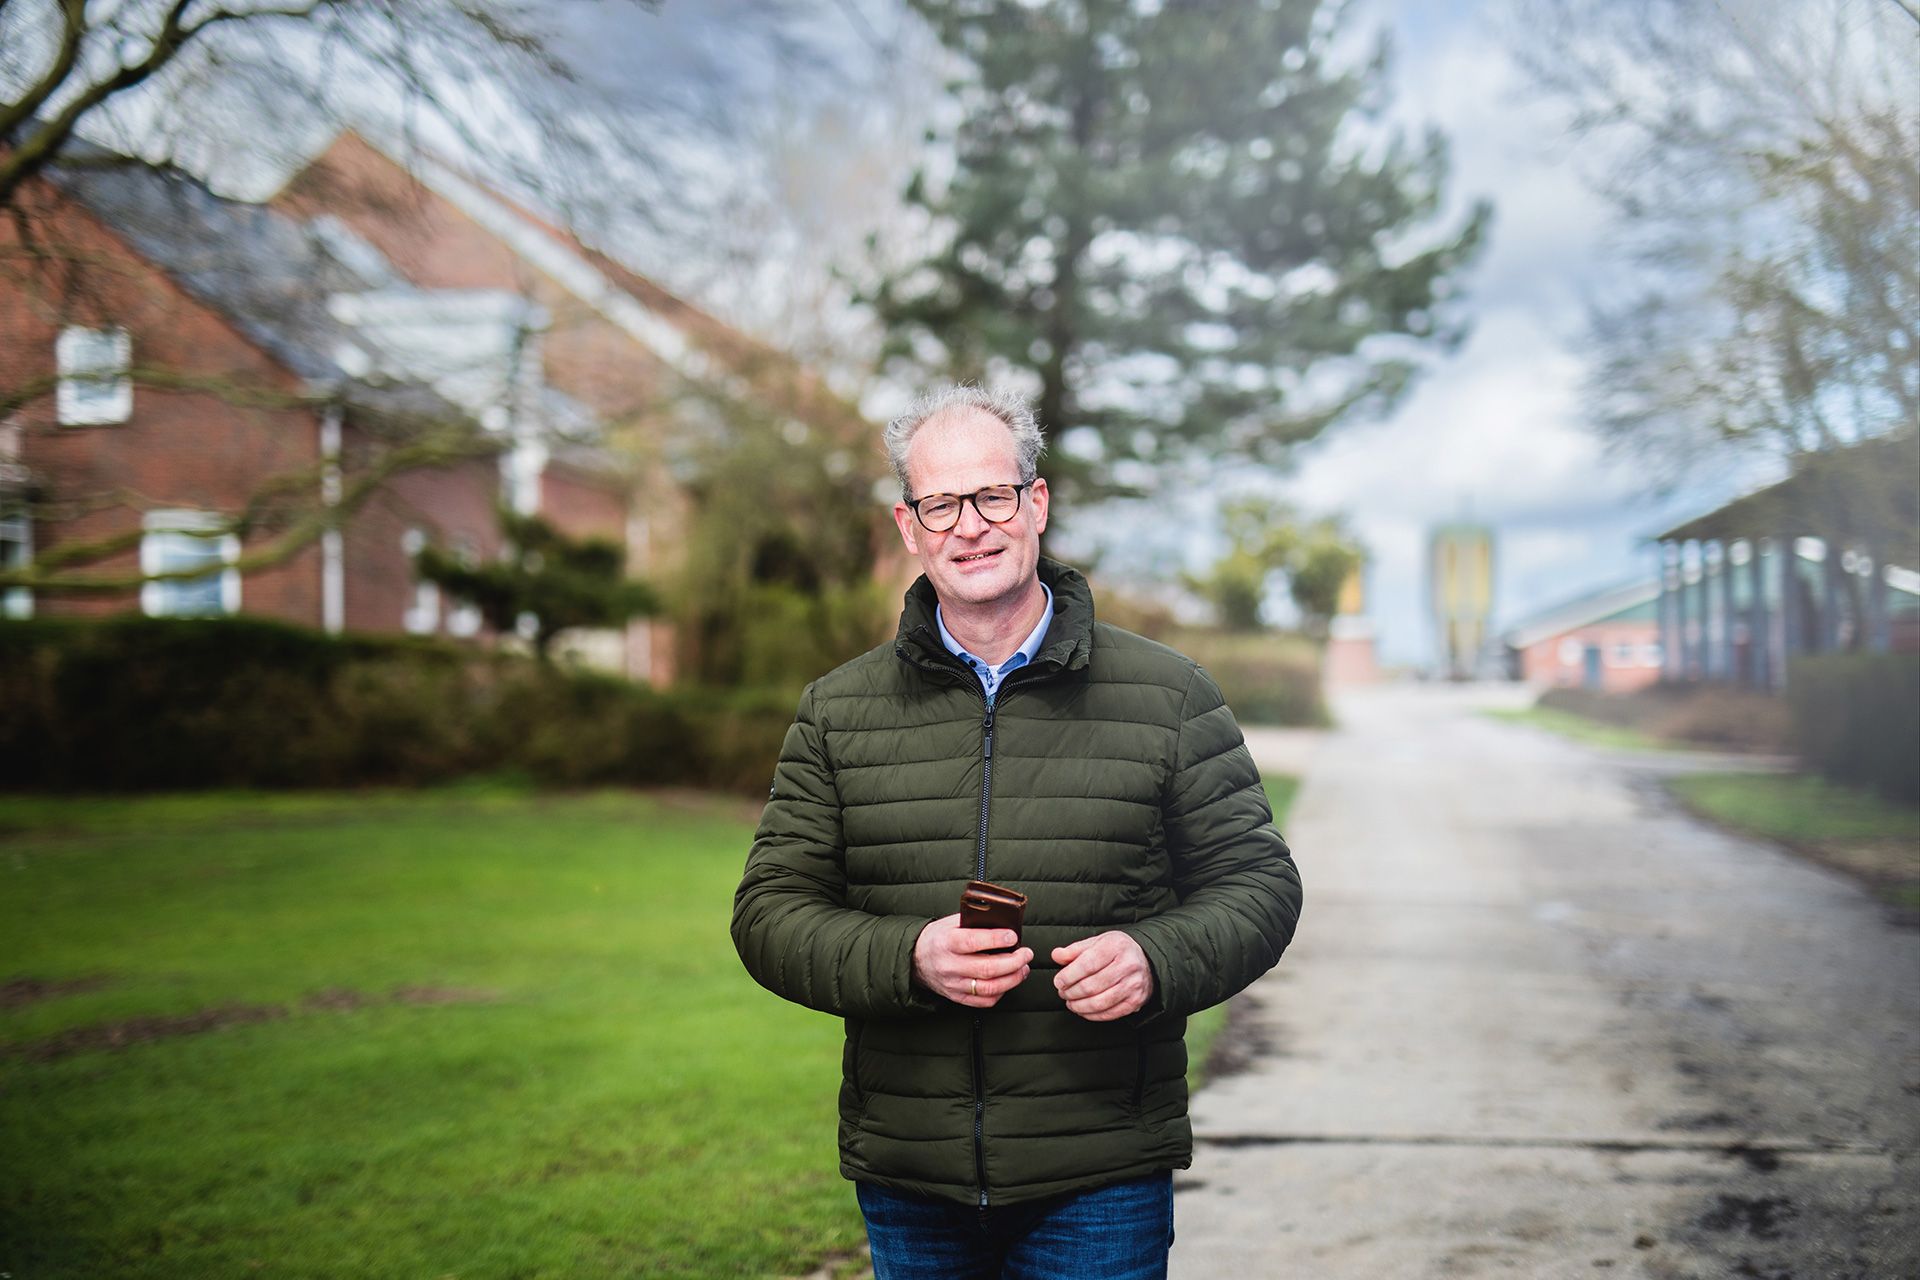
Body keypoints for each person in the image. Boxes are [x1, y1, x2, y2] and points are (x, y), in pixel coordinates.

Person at [731, 383, 1302, 1279]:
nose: (971, 525)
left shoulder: (1169, 695)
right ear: (908, 526)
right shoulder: (838, 711)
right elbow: (768, 914)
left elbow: (1259, 887)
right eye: (941, 503)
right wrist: (908, 957)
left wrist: (1157, 957)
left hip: (1101, 1170)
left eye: (993, 495)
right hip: (911, 1172)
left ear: (1035, 504)